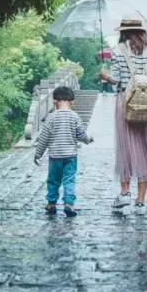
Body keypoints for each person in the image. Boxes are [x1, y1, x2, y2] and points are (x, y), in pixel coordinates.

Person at [99, 18, 147, 215]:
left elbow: (116, 79)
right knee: (146, 150)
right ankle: (141, 203)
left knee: (126, 148)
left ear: (124, 32)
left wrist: (105, 76)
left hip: (126, 104)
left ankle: (124, 193)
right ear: (142, 32)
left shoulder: (118, 50)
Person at [33, 86, 93, 217]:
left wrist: (38, 154)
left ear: (54, 101)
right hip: (71, 156)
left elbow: (44, 137)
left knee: (53, 180)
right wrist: (89, 139)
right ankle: (69, 204)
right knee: (69, 180)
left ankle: (51, 204)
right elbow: (82, 134)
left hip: (55, 156)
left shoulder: (51, 117)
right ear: (72, 101)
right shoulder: (75, 117)